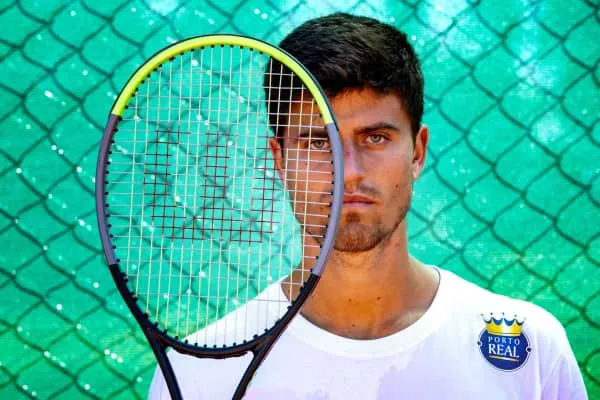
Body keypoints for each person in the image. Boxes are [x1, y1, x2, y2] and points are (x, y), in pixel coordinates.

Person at [149, 13, 588, 399]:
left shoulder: (531, 351)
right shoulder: (198, 373)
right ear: (280, 160)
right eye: (317, 142)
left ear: (417, 152)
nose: (349, 171)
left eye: (375, 138)